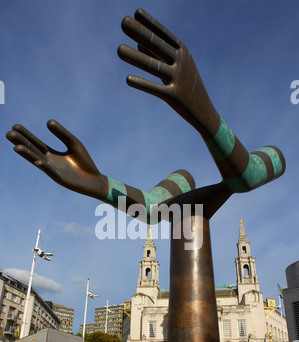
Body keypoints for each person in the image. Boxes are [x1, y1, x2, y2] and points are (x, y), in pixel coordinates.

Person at [6, 9, 285, 223]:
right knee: (182, 179)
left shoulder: (271, 156)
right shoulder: (181, 181)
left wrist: (203, 111)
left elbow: (245, 177)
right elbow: (151, 208)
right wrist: (100, 184)